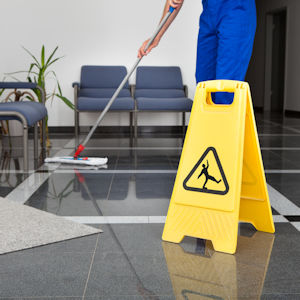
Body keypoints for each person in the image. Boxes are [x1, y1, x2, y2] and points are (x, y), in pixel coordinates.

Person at [138, 0, 257, 104]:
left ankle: (225, 129)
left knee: (226, 88)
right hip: (209, 13)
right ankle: (208, 129)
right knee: (204, 86)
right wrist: (157, 36)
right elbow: (174, 2)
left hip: (236, 11)